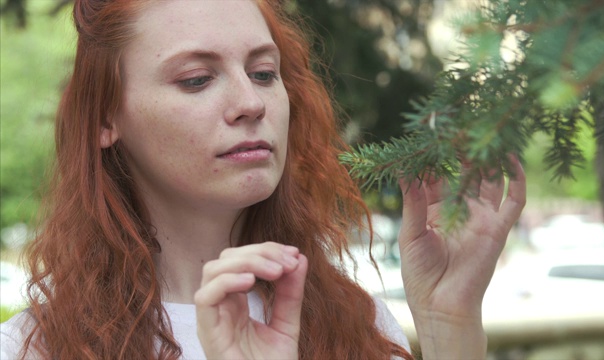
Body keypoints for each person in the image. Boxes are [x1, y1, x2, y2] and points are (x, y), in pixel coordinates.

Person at [0, 0, 526, 359]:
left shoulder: (358, 326)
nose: (251, 103)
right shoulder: (34, 347)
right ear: (104, 118)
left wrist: (449, 324)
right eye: (197, 79)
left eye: (263, 73)